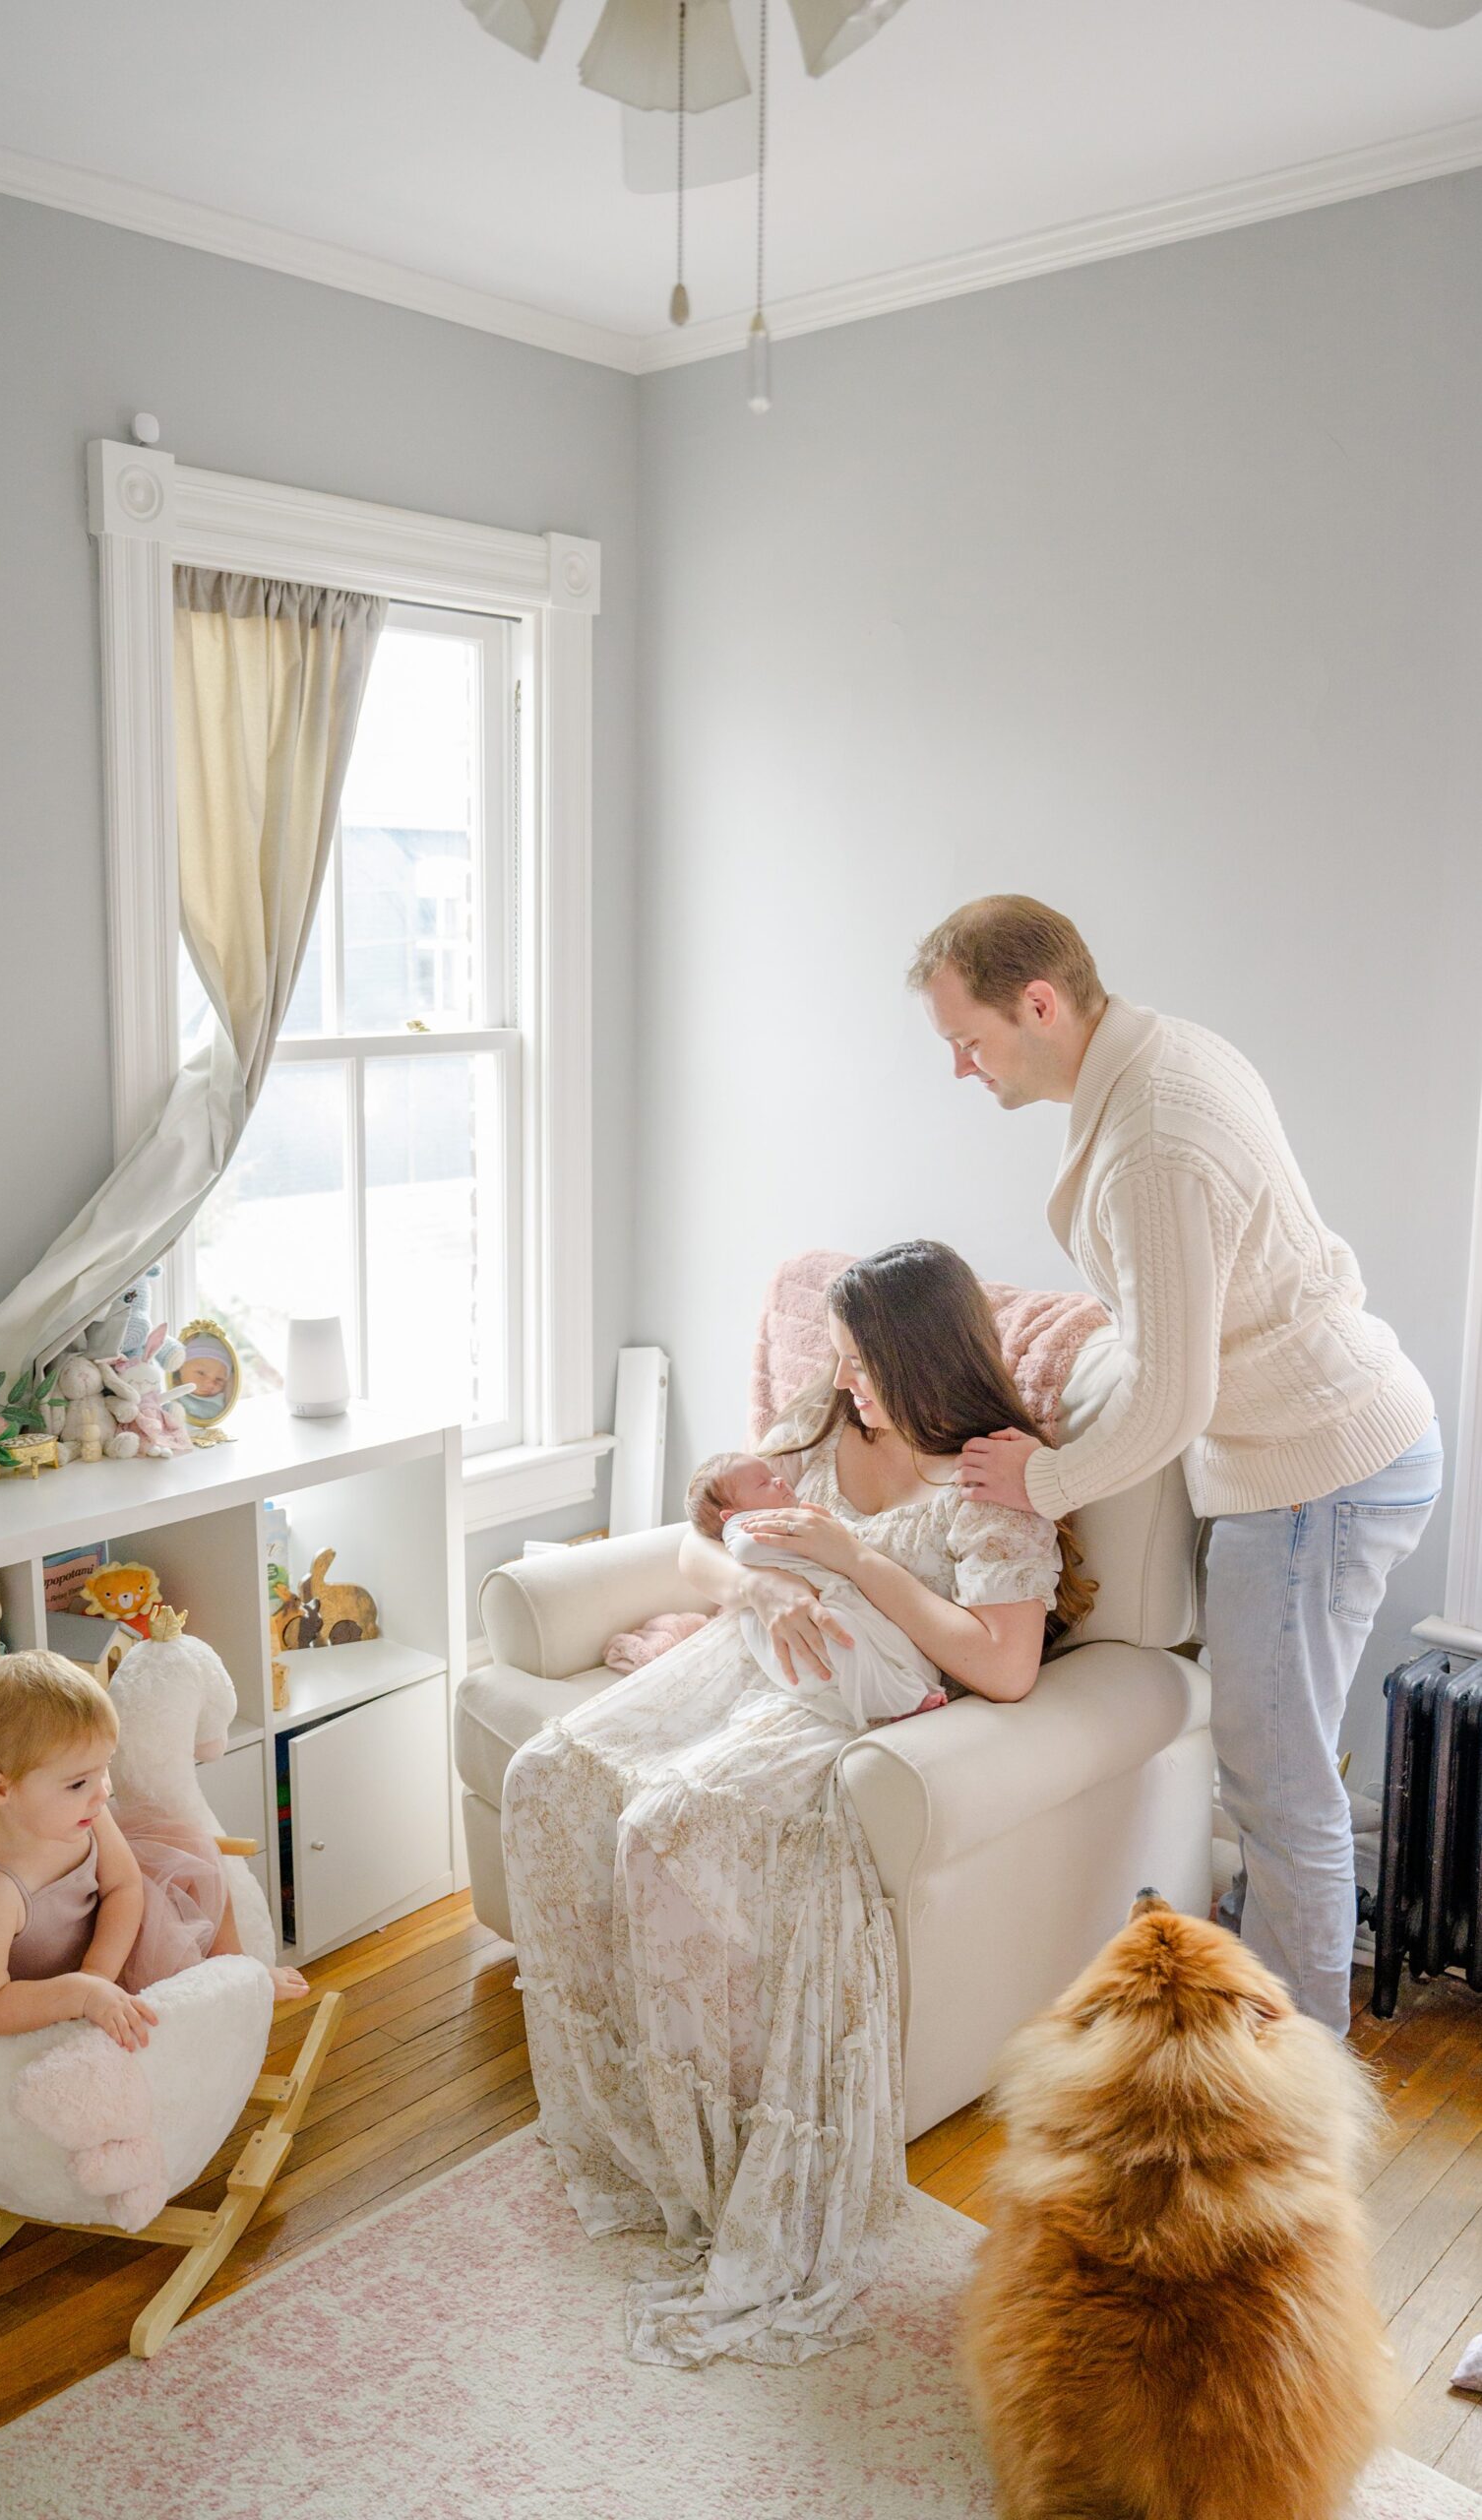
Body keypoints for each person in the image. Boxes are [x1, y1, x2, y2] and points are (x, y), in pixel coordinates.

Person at [501, 1241, 1081, 2368]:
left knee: (661, 1833)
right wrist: (760, 1582)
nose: (841, 1374)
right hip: (751, 1647)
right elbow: (698, 1538)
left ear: (917, 1354)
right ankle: (626, 2116)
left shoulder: (989, 1477)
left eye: (861, 1358)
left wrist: (850, 1560)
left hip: (843, 1702)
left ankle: (715, 2149)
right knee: (546, 1778)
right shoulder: (826, 1422)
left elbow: (1003, 1667)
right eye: (838, 1353)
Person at [910, 895, 1441, 2038]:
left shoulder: (1150, 1137)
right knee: (1279, 1773)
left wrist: (1036, 1482)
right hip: (1339, 1443)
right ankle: (1267, 2033)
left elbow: (1173, 1394)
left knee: (1275, 1787)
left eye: (968, 1037)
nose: (960, 1067)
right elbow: (1174, 1317)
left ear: (1037, 1003)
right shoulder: (1162, 1051)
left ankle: (1294, 2099)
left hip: (1311, 1474)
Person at [0, 1651, 305, 2042]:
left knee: (193, 1852)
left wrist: (97, 1973)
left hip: (104, 1943)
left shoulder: (84, 1811)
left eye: (104, 1768)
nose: (103, 1791)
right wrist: (82, 1992)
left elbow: (124, 1885)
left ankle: (235, 1967)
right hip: (43, 1990)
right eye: (78, 1783)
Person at [685, 1449, 948, 1728]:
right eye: (764, 1483)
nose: (779, 1482)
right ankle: (898, 1702)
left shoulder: (791, 1514)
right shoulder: (743, 1531)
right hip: (790, 1625)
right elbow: (746, 1548)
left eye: (774, 1476)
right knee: (842, 1635)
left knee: (877, 1637)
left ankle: (910, 1683)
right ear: (731, 1515)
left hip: (829, 1602)